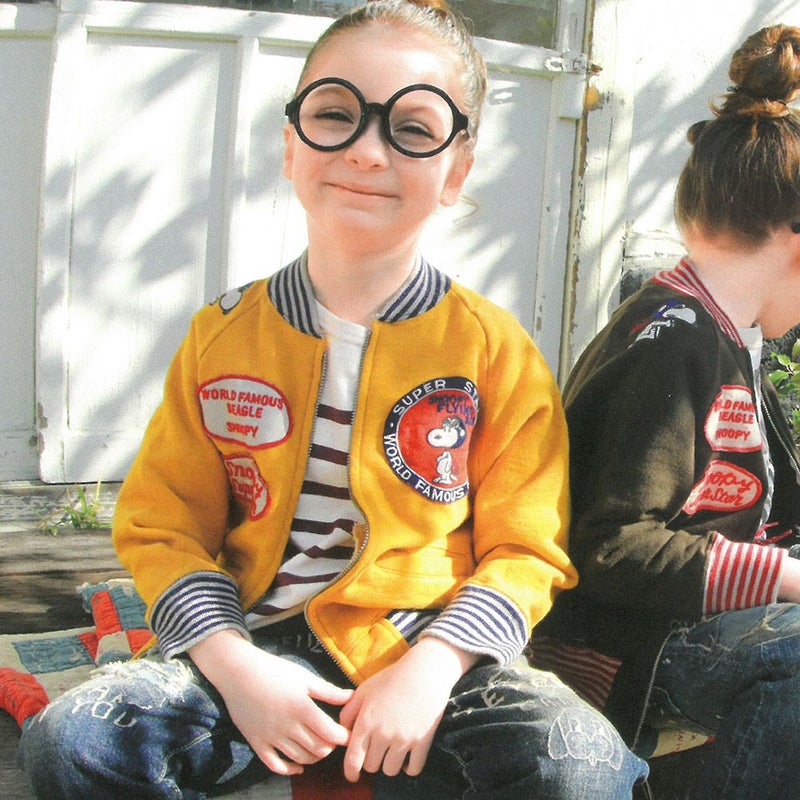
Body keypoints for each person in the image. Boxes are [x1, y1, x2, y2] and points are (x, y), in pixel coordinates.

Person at [18, 1, 647, 797]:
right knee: (74, 740)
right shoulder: (221, 336)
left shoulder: (497, 353)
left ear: (457, 171)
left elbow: (527, 551)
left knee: (580, 762)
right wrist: (232, 663)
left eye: (412, 129)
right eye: (335, 115)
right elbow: (164, 525)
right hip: (255, 651)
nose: (367, 150)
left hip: (428, 660)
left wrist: (435, 666)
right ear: (290, 145)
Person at [530, 22, 800, 800]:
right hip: (632, 643)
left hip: (702, 626)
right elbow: (611, 544)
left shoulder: (724, 335)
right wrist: (783, 575)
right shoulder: (669, 340)